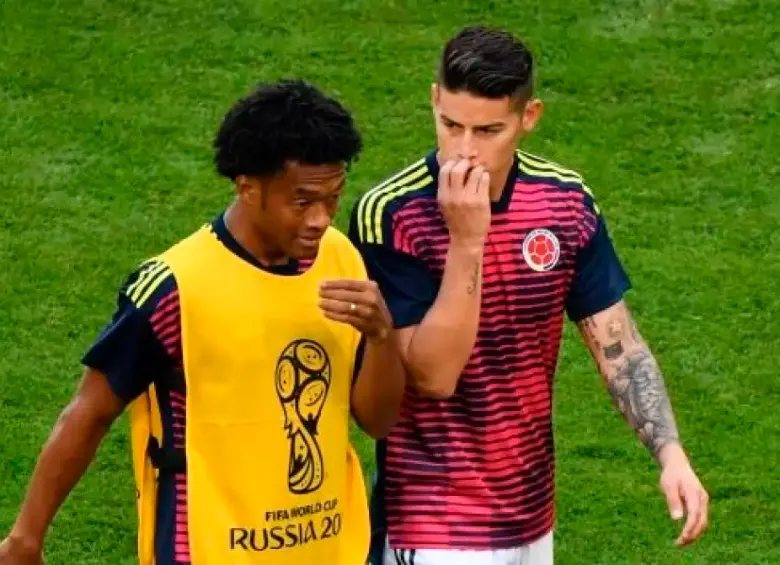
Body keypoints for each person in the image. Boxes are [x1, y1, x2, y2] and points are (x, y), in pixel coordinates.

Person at [0, 79, 406, 565]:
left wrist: (382, 338)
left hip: (330, 546)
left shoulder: (341, 260)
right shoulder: (175, 287)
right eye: (302, 201)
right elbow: (89, 412)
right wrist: (26, 539)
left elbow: (377, 420)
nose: (321, 218)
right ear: (247, 186)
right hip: (208, 546)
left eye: (333, 198)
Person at [350, 26, 709, 565]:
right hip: (433, 520)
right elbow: (433, 376)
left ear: (529, 118)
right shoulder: (391, 215)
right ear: (433, 101)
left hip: (531, 514)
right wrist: (468, 241)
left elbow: (620, 346)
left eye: (488, 130)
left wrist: (671, 453)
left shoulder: (563, 202)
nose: (465, 150)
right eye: (450, 124)